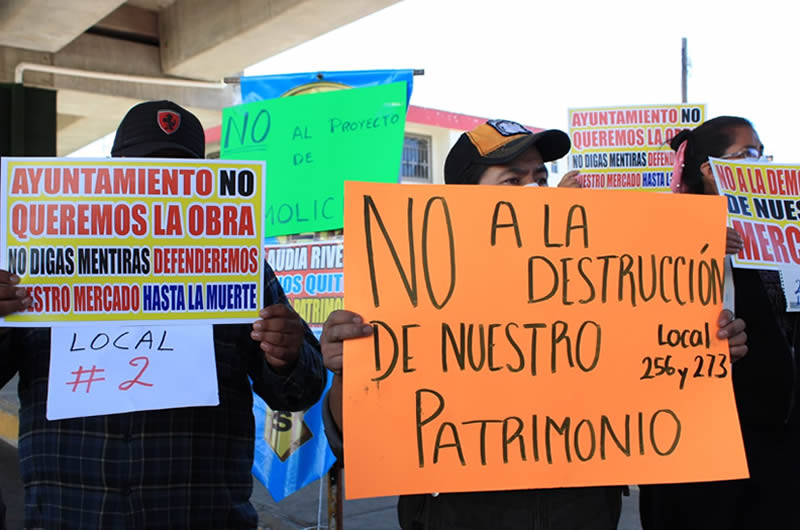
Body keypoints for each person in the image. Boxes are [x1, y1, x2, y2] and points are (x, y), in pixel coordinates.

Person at [321, 119, 748, 529]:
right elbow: (359, 441)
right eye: (512, 180)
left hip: (582, 515)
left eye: (540, 179)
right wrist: (349, 373)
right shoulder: (413, 293)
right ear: (462, 199)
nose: (535, 191)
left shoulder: (596, 286)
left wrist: (702, 352)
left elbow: (649, 384)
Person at [0, 100, 326, 529]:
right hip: (71, 515)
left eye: (179, 176)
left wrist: (286, 355)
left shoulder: (238, 266)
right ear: (111, 176)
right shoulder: (40, 263)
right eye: (144, 172)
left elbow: (302, 389)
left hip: (201, 517)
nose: (159, 189)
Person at [639, 116, 797, 530]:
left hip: (771, 446)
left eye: (762, 154)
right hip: (699, 452)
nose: (761, 163)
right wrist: (694, 243)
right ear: (711, 170)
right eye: (748, 155)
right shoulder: (664, 237)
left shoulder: (777, 237)